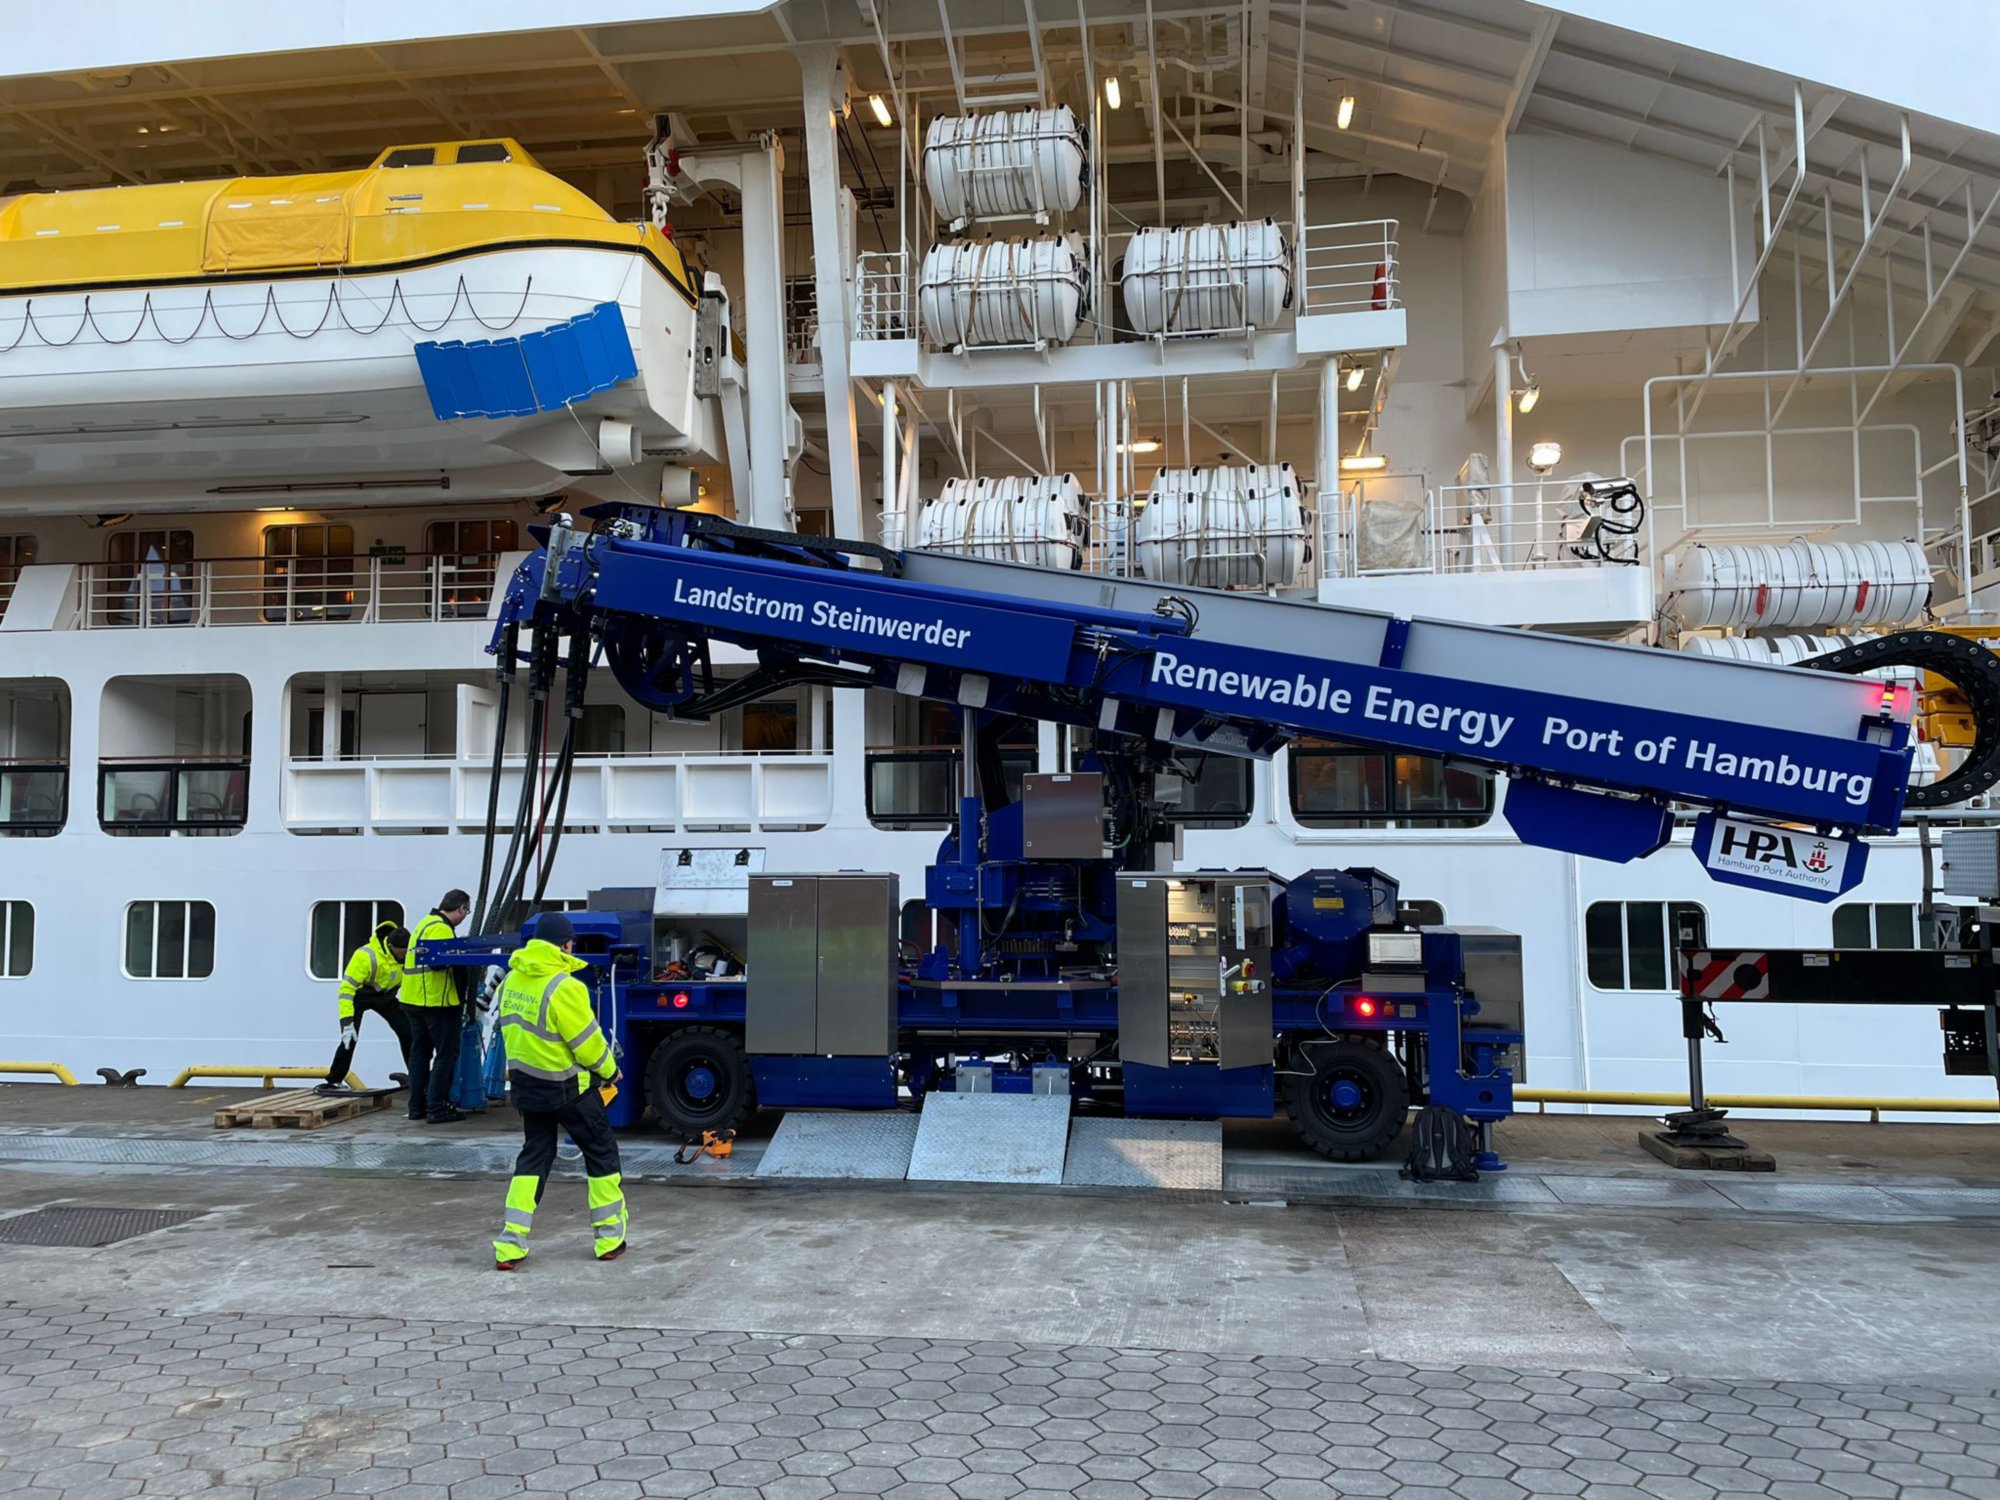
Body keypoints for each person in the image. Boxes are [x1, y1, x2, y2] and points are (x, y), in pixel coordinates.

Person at [491, 913, 627, 1269]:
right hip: (569, 1090)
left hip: (527, 1089)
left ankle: (510, 1244)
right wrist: (610, 1071)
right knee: (601, 1153)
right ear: (566, 945)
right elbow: (587, 1044)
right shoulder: (565, 987)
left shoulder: (511, 981)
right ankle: (609, 1239)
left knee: (534, 1158)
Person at [402, 889, 472, 1123]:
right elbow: (438, 963)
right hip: (436, 1002)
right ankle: (437, 1107)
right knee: (446, 1055)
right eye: (467, 911)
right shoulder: (441, 928)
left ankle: (417, 1107)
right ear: (461, 908)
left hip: (412, 1001)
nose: (465, 916)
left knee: (420, 1054)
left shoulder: (424, 923)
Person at [321, 920, 413, 1093]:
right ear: (391, 946)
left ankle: (418, 1077)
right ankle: (334, 1080)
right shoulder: (365, 956)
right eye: (402, 951)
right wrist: (347, 1022)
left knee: (408, 1032)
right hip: (360, 997)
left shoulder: (408, 954)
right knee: (350, 1039)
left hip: (386, 997)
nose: (405, 955)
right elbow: (346, 990)